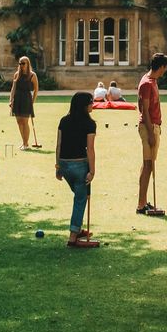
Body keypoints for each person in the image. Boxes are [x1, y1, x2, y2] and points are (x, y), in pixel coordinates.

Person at [55, 91, 99, 248]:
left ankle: (77, 227)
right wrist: (92, 171)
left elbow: (59, 145)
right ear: (84, 105)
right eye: (90, 102)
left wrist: (58, 167)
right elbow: (90, 149)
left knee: (79, 195)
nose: (92, 105)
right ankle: (73, 237)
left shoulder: (63, 121)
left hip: (65, 165)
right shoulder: (90, 123)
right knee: (81, 199)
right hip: (79, 165)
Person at [136, 52, 167, 215]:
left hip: (154, 126)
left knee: (148, 165)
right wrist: (150, 133)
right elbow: (145, 110)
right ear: (161, 67)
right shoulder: (147, 84)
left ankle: (142, 203)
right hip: (148, 127)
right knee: (148, 164)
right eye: (165, 68)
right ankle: (141, 205)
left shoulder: (152, 81)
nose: (165, 72)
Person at [9, 55, 39, 150]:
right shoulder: (16, 74)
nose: (21, 65)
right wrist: (11, 100)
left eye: (23, 63)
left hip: (26, 99)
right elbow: (13, 89)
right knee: (19, 121)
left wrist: (32, 102)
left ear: (27, 64)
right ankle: (23, 142)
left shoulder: (32, 75)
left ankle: (26, 144)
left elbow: (36, 90)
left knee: (25, 122)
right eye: (20, 63)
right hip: (17, 99)